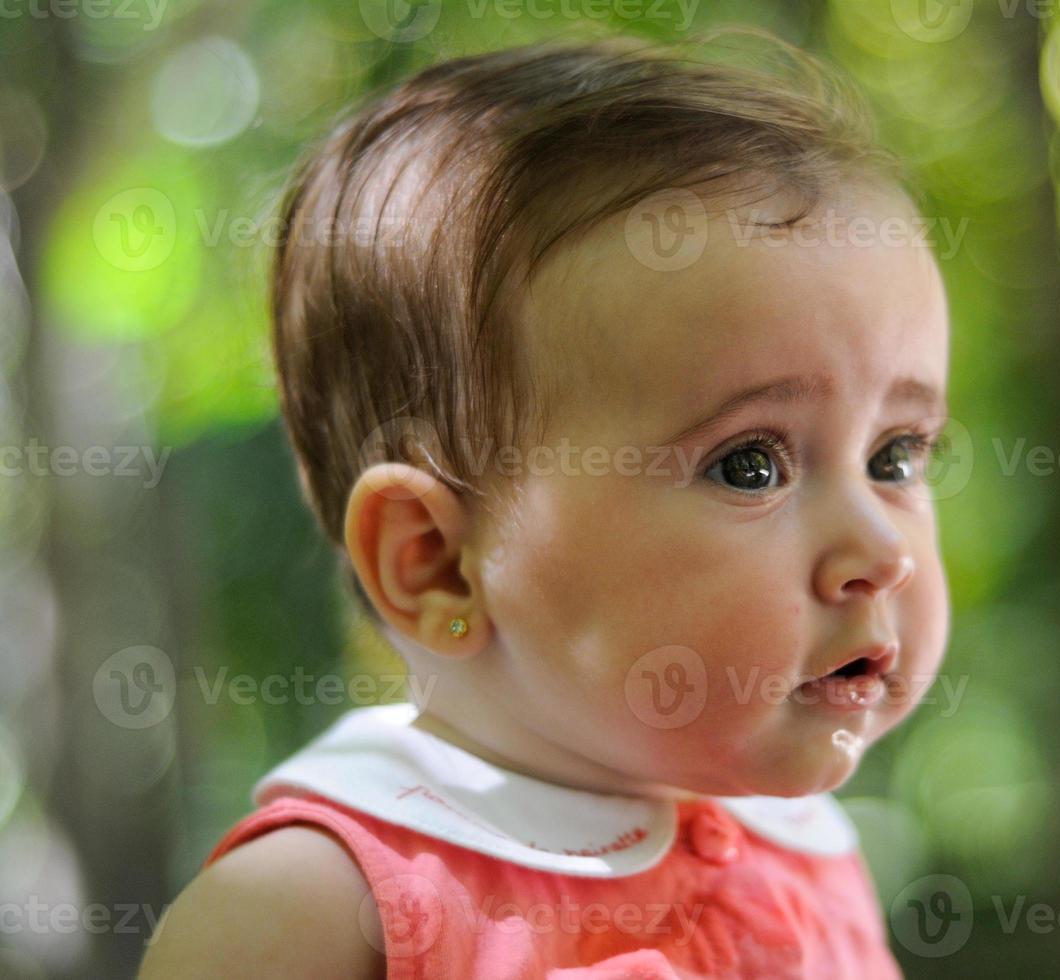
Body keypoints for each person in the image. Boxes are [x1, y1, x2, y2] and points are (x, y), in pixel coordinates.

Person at [139, 25, 953, 978]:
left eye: (896, 455)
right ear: (435, 563)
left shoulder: (807, 854)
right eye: (749, 466)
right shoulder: (307, 912)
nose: (880, 549)